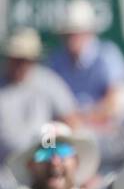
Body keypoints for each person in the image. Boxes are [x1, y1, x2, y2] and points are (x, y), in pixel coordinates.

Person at [46, 0, 124, 126]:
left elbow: (114, 102)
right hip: (68, 129)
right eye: (68, 33)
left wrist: (84, 119)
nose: (71, 39)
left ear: (89, 32)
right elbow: (49, 101)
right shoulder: (56, 59)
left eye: (76, 32)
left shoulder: (108, 55)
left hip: (103, 133)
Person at [0, 28, 77, 166]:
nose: (20, 65)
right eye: (16, 59)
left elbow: (71, 120)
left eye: (25, 60)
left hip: (42, 167)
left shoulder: (48, 82)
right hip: (4, 167)